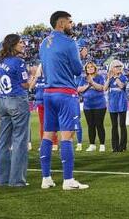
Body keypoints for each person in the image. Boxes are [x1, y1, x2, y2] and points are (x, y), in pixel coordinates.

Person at [39, 11, 89, 190]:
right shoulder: (70, 42)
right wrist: (80, 58)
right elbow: (77, 70)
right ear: (61, 23)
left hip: (48, 93)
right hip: (66, 93)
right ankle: (68, 180)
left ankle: (46, 179)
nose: (72, 25)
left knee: (47, 135)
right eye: (70, 22)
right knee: (66, 136)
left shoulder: (43, 43)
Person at [0, 34, 30, 187]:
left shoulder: (1, 61)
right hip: (17, 100)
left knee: (3, 142)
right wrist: (34, 78)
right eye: (21, 42)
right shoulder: (19, 61)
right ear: (13, 44)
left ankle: (3, 179)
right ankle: (17, 180)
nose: (23, 44)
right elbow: (25, 85)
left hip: (3, 101)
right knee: (20, 141)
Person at [29, 64, 58, 151]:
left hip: (49, 104)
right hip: (40, 104)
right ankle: (44, 143)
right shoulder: (38, 79)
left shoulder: (50, 78)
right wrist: (36, 77)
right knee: (42, 125)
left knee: (51, 123)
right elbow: (31, 87)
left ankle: (54, 143)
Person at [78, 61, 106, 152]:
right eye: (88, 67)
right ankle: (92, 145)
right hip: (87, 106)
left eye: (91, 67)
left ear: (94, 68)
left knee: (99, 125)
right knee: (90, 125)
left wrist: (92, 83)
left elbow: (101, 88)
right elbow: (79, 89)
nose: (90, 68)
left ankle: (102, 145)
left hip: (100, 105)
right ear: (86, 69)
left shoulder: (99, 77)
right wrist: (89, 85)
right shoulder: (83, 78)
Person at [104, 60, 128, 152]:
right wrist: (108, 79)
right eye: (116, 66)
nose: (118, 68)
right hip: (112, 104)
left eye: (119, 66)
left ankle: (123, 146)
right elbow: (105, 88)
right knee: (114, 126)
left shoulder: (123, 77)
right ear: (112, 68)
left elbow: (121, 86)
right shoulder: (110, 78)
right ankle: (115, 147)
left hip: (122, 103)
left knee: (122, 125)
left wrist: (115, 77)